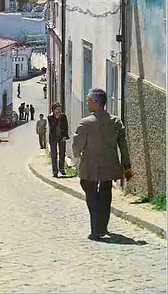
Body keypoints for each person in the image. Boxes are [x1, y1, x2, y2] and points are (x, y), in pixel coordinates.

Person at [72, 88, 133, 240]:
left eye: (89, 101)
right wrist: (127, 166)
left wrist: (76, 158)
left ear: (95, 102)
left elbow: (77, 144)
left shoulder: (85, 123)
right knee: (106, 194)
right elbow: (123, 145)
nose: (87, 103)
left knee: (91, 194)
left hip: (90, 167)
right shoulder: (115, 122)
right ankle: (103, 226)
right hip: (110, 166)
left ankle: (96, 230)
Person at [47, 102, 69, 177]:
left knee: (62, 153)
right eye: (57, 110)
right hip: (53, 138)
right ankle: (55, 171)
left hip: (61, 137)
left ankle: (62, 169)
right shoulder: (50, 117)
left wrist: (65, 136)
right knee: (54, 154)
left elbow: (66, 127)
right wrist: (56, 117)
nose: (59, 111)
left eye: (60, 109)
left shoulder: (63, 116)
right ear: (53, 110)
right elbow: (52, 126)